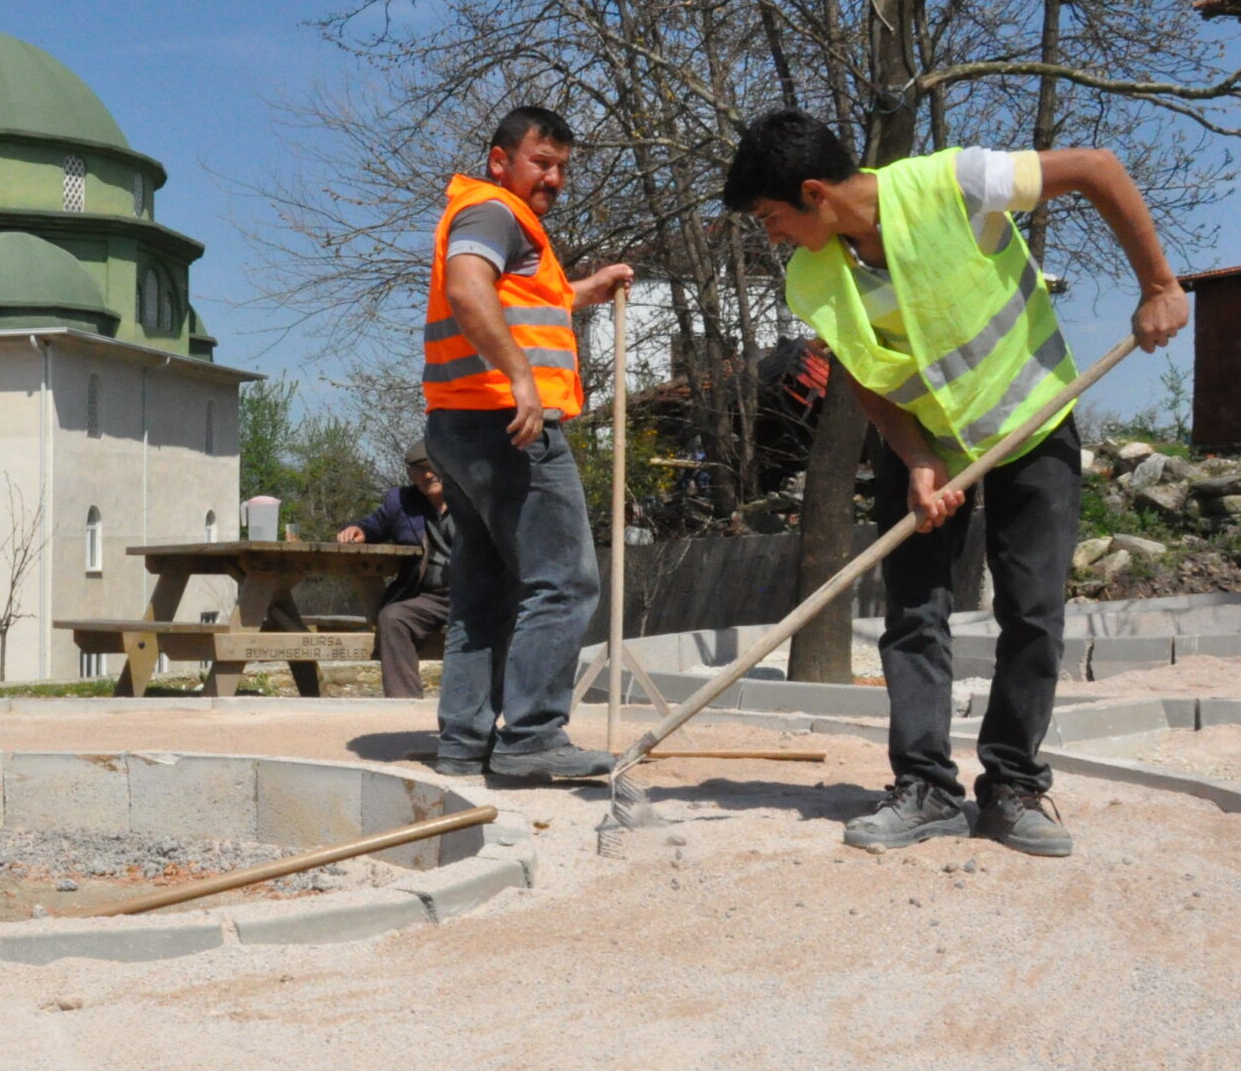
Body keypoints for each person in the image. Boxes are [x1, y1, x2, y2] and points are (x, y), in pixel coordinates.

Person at [721, 111, 1187, 856]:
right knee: (913, 615)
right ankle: (925, 789)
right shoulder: (812, 277)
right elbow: (867, 378)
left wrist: (1159, 284)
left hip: (1031, 425)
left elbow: (1097, 166)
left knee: (1032, 612)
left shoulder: (955, 182)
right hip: (925, 445)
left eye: (773, 217)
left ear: (814, 192)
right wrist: (916, 459)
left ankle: (1012, 786)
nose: (771, 236)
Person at [423, 105, 634, 780]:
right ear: (500, 160)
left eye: (563, 168)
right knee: (565, 582)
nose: (554, 178)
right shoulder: (493, 213)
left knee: (483, 589)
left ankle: (464, 741)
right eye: (542, 163)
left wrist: (581, 292)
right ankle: (535, 737)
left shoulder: (497, 221)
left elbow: (513, 300)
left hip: (458, 426)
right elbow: (467, 287)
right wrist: (522, 379)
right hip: (509, 423)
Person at [336, 440, 453, 699]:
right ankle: (404, 702)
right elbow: (373, 525)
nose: (429, 474)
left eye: (433, 466)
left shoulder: (474, 497)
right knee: (393, 617)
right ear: (410, 474)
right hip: (428, 597)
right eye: (419, 469)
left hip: (474, 594)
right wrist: (358, 530)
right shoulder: (401, 502)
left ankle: (482, 705)